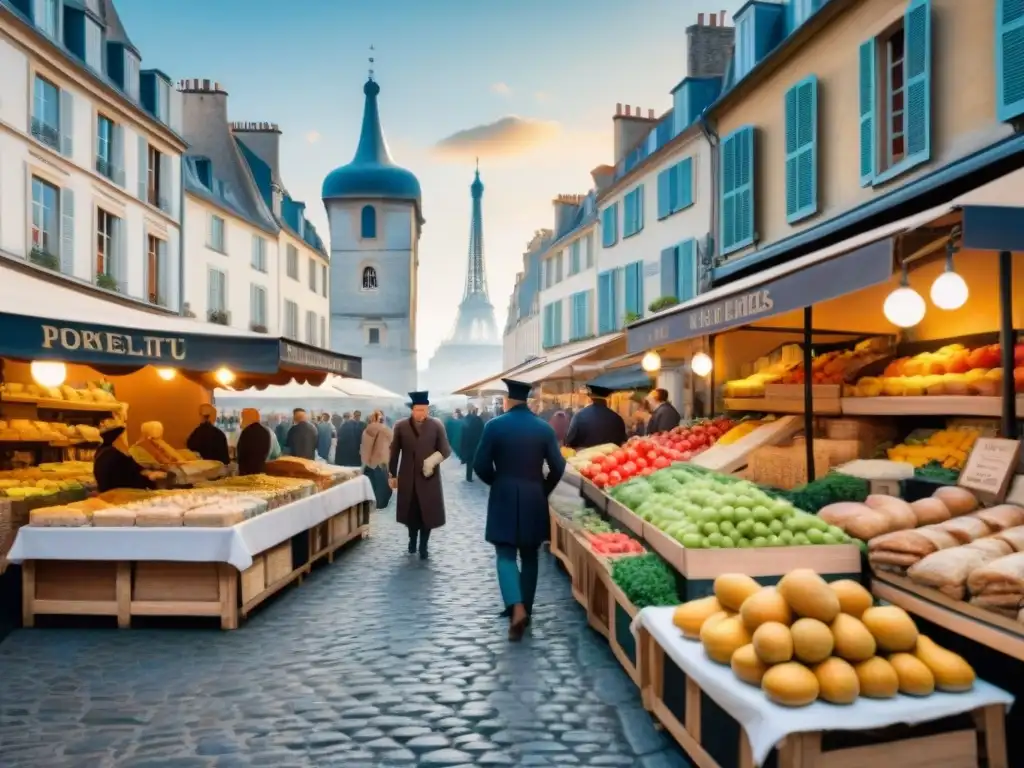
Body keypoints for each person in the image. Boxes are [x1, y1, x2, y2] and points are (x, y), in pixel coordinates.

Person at [473, 379, 566, 641]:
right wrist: (542, 489)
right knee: (530, 555)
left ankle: (515, 607)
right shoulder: (543, 429)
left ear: (507, 400)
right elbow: (559, 467)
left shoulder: (494, 426)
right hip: (533, 495)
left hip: (503, 493)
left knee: (504, 553)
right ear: (527, 400)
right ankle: (526, 608)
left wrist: (498, 482)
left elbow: (480, 464)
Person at [388, 392, 452, 560]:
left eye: (424, 410)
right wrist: (392, 474)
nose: (421, 413)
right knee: (411, 513)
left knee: (427, 513)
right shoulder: (401, 426)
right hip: (408, 477)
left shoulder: (436, 425)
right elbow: (394, 452)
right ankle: (412, 539)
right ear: (412, 410)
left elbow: (445, 450)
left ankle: (424, 545)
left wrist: (431, 462)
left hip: (428, 477)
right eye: (418, 410)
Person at [94, 425, 159, 492]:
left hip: (107, 488)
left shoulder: (102, 450)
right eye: (122, 436)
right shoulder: (115, 455)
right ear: (117, 438)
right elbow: (130, 472)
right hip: (117, 490)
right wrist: (149, 477)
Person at [564, 384, 627, 450]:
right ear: (608, 395)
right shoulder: (617, 419)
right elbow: (623, 443)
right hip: (612, 458)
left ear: (590, 396)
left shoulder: (579, 416)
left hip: (585, 459)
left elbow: (569, 442)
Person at [361, 409, 394, 509]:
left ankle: (375, 502)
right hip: (382, 461)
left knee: (373, 482)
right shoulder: (387, 430)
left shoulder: (367, 430)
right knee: (381, 483)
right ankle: (381, 503)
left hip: (372, 462)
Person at [236, 408, 272, 475]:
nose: (241, 420)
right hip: (260, 469)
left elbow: (241, 452)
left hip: (246, 471)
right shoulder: (265, 431)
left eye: (242, 418)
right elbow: (266, 451)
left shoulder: (246, 432)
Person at [460, 405, 485, 481]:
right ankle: (480, 474)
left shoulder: (465, 419)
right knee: (478, 459)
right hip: (477, 442)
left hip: (468, 442)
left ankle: (469, 477)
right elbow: (482, 430)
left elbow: (463, 433)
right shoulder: (478, 419)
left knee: (469, 460)